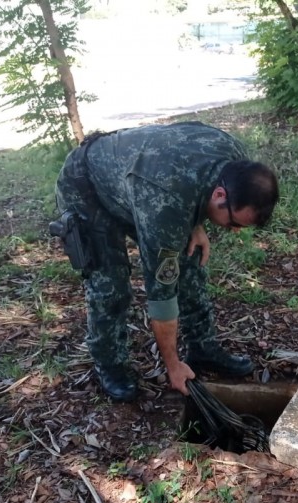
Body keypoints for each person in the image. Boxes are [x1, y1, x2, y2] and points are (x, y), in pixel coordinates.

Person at [51, 121, 279, 402]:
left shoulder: (233, 158)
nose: (234, 230)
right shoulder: (166, 205)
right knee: (110, 284)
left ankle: (203, 349)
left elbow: (194, 181)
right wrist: (173, 366)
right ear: (220, 195)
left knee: (190, 259)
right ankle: (111, 366)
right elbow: (161, 299)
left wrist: (195, 222)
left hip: (140, 181)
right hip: (87, 186)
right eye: (234, 222)